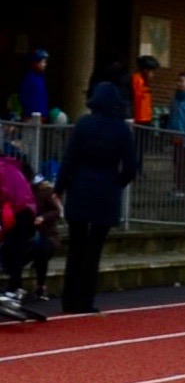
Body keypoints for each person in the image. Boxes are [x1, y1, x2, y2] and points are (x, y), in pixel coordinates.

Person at [53, 81, 136, 313]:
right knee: (94, 249)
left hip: (80, 188)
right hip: (106, 191)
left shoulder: (84, 124)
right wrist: (117, 184)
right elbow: (130, 167)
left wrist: (60, 188)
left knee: (76, 246)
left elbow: (69, 160)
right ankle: (85, 300)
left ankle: (69, 300)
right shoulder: (122, 130)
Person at [0, 153, 37, 310]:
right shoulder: (10, 166)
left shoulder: (2, 168)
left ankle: (14, 288)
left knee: (12, 250)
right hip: (25, 210)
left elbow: (4, 193)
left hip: (17, 211)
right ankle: (15, 287)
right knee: (13, 250)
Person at [130, 54, 159, 172]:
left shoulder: (143, 81)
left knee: (141, 147)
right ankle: (135, 168)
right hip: (139, 119)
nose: (153, 75)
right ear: (145, 70)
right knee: (137, 147)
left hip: (145, 118)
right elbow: (136, 99)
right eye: (152, 72)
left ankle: (139, 168)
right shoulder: (137, 80)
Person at [19, 49, 49, 119]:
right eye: (43, 62)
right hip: (31, 116)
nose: (45, 64)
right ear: (35, 62)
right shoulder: (29, 79)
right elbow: (24, 97)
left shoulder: (41, 78)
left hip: (41, 116)